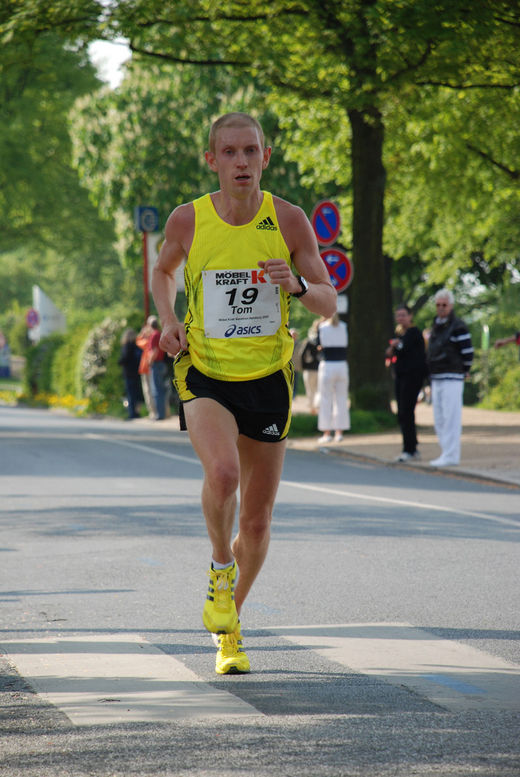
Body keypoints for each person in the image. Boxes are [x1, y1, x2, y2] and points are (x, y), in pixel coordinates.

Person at [151, 111, 336, 674]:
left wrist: (297, 285)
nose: (240, 162)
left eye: (250, 151)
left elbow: (328, 302)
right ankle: (217, 568)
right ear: (212, 160)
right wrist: (167, 317)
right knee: (224, 475)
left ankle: (230, 627)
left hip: (267, 379)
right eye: (229, 152)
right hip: (204, 370)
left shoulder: (289, 219)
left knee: (255, 524)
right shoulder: (190, 220)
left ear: (265, 157)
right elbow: (163, 273)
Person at [426, 289, 474, 467]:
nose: (441, 308)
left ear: (451, 306)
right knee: (439, 417)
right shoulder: (435, 326)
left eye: (444, 305)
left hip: (452, 376)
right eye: (438, 305)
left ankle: (451, 455)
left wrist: (465, 369)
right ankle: (445, 452)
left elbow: (468, 351)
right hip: (437, 376)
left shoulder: (458, 326)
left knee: (451, 417)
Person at [385, 304, 427, 461]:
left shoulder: (414, 333)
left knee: (406, 411)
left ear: (410, 316)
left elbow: (405, 349)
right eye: (398, 315)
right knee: (403, 412)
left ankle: (409, 449)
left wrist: (396, 346)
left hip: (412, 377)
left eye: (403, 315)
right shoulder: (399, 334)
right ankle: (411, 446)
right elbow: (392, 352)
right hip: (401, 376)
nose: (401, 318)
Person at [316, 313, 350, 444]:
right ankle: (339, 432)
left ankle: (326, 433)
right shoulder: (343, 326)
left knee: (326, 398)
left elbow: (319, 345)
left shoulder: (322, 327)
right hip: (342, 364)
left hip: (328, 364)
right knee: (341, 398)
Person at [118, 328, 143, 419]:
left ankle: (132, 413)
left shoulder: (127, 346)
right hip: (136, 372)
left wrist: (119, 361)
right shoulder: (136, 346)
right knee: (136, 393)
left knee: (130, 393)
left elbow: (125, 358)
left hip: (128, 372)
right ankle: (136, 412)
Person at [136, 318, 158, 419]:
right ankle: (157, 412)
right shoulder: (156, 335)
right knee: (154, 390)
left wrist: (143, 333)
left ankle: (153, 412)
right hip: (148, 367)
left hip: (147, 367)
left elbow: (138, 341)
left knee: (149, 391)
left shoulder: (149, 339)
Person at [147, 317, 167, 420]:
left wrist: (149, 362)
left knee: (156, 390)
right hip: (161, 363)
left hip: (156, 364)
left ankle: (160, 414)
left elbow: (154, 351)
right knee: (160, 389)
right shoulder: (159, 333)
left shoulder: (154, 335)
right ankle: (162, 413)